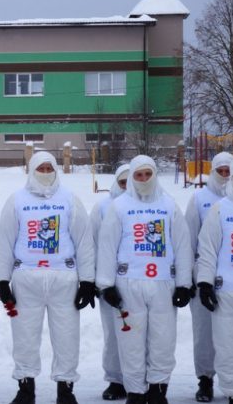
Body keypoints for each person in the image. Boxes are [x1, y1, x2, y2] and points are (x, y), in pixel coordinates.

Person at [0, 151, 95, 404]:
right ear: (31, 170)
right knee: (24, 336)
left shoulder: (69, 200)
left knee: (67, 335)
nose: (46, 173)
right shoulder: (16, 200)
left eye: (50, 168)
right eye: (41, 168)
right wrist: (3, 281)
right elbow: (4, 241)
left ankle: (66, 388)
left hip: (64, 279)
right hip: (26, 279)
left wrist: (88, 281)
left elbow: (83, 241)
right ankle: (25, 388)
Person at [96, 155, 193, 404]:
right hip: (129, 283)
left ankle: (158, 388)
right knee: (131, 342)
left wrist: (183, 283)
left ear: (155, 175)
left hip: (163, 284)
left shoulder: (169, 206)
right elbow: (107, 247)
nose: (143, 179)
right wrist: (106, 285)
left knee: (163, 339)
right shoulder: (119, 207)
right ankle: (135, 391)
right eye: (138, 175)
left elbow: (182, 246)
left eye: (147, 174)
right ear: (131, 179)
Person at [196, 156, 233, 404]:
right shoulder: (219, 209)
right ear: (231, 178)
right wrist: (205, 283)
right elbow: (207, 248)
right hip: (227, 290)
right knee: (228, 346)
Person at [185, 152, 233, 402]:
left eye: (229, 171)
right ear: (213, 172)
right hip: (203, 275)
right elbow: (187, 240)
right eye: (221, 171)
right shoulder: (199, 200)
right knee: (204, 332)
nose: (225, 176)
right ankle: (205, 379)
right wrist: (188, 277)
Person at [89, 164, 130, 400]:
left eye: (130, 182)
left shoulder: (154, 205)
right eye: (122, 183)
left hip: (141, 279)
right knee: (114, 334)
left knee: (141, 333)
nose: (126, 187)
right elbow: (92, 243)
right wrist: (96, 281)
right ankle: (116, 380)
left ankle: (141, 377)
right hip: (110, 283)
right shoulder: (103, 207)